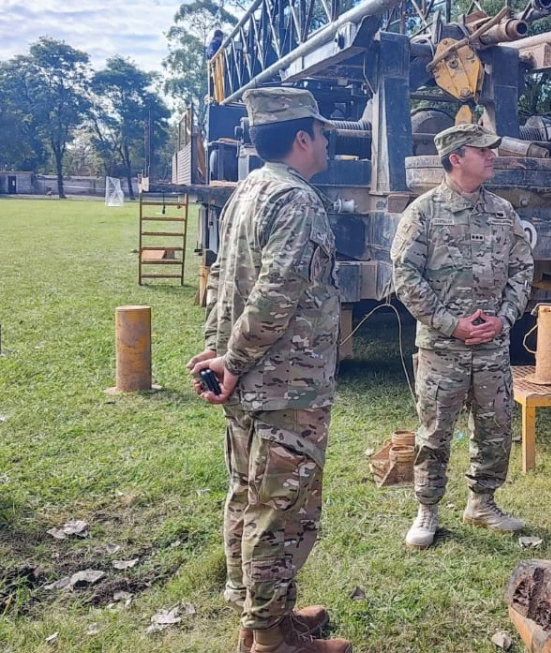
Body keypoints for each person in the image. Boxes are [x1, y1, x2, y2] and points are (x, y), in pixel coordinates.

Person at [187, 87, 350, 653]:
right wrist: (228, 360)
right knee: (281, 512)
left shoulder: (247, 191)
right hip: (283, 386)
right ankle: (273, 641)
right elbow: (274, 294)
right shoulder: (297, 200)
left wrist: (217, 354)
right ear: (302, 138)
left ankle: (262, 622)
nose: (328, 141)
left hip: (249, 382)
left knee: (250, 498)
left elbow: (221, 282)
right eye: (323, 132)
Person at [391, 123, 534, 549]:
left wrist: (504, 319)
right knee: (434, 432)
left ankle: (482, 502)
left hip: (492, 345)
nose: (493, 156)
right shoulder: (423, 212)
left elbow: (522, 269)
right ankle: (427, 509)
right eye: (483, 150)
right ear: (456, 158)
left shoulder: (502, 212)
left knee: (495, 427)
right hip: (441, 348)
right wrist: (450, 323)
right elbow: (405, 274)